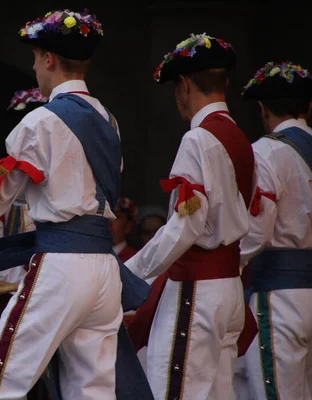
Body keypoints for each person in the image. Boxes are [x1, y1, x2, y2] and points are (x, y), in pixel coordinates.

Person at [0, 9, 150, 399]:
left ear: (48, 59)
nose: (33, 69)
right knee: (93, 391)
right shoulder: (109, 119)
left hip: (61, 264)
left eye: (34, 59)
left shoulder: (40, 121)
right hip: (103, 270)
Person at [125, 33, 257, 399]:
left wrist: (128, 273)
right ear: (225, 83)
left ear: (182, 85)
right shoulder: (240, 138)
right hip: (229, 289)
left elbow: (185, 227)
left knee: (172, 391)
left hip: (197, 290)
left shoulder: (198, 139)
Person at [239, 61, 312, 399]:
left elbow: (256, 231)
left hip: (280, 295)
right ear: (308, 108)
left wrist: (227, 267)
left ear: (262, 109)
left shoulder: (266, 151)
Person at [110, 197, 138, 262]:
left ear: (129, 225)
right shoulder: (87, 256)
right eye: (103, 216)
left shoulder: (136, 259)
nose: (108, 221)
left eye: (116, 216)